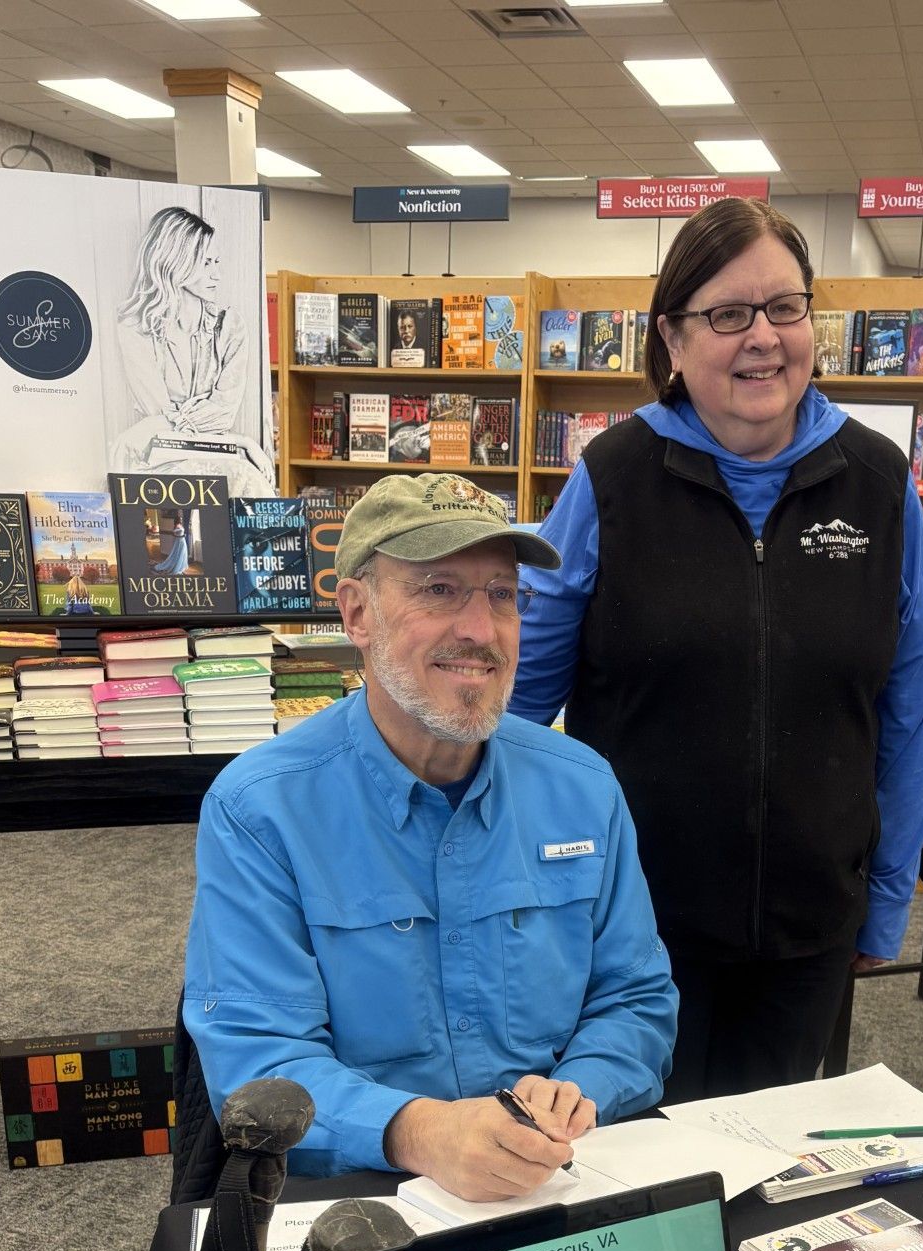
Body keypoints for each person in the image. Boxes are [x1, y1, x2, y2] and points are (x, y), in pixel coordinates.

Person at [512, 198, 923, 1099]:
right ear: (671, 338)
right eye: (727, 314)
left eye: (785, 308)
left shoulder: (878, 484)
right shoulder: (611, 480)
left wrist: (886, 899)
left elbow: (909, 712)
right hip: (632, 925)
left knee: (768, 1181)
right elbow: (518, 707)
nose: (763, 337)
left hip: (810, 927)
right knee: (633, 1167)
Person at [184, 473, 677, 1199]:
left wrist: (580, 1089)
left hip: (557, 1174)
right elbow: (259, 1059)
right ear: (357, 613)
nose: (481, 629)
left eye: (502, 594)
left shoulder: (583, 787)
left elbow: (635, 999)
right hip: (361, 1192)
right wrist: (420, 1131)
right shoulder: (262, 809)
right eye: (440, 590)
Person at [112, 204, 271, 495]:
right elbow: (160, 425)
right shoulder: (135, 327)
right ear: (176, 261)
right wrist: (241, 442)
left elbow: (222, 415)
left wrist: (173, 422)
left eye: (217, 262)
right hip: (158, 460)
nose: (216, 275)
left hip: (214, 456)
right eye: (206, 263)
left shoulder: (230, 325)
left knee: (249, 483)